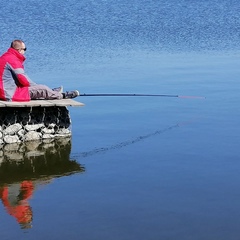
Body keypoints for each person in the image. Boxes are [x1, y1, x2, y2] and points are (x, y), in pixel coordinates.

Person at [0, 39, 79, 102]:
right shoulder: (13, 60)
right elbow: (24, 80)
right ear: (19, 50)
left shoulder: (4, 57)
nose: (25, 51)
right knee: (43, 89)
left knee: (40, 89)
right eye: (25, 49)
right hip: (9, 94)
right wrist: (37, 87)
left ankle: (51, 92)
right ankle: (62, 95)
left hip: (4, 91)